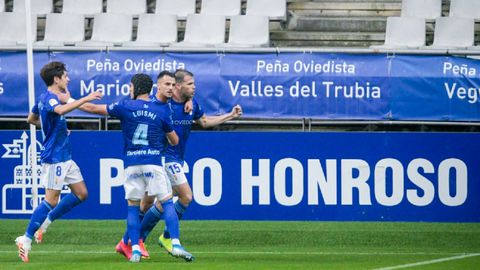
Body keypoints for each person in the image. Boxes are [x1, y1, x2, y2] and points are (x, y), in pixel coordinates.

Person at [80, 72, 193, 263]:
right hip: (154, 162)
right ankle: (174, 243)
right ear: (151, 88)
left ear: (135, 87)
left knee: (133, 207)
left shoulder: (125, 106)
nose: (129, 90)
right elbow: (174, 140)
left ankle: (134, 250)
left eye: (130, 87)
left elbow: (93, 109)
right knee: (166, 202)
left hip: (131, 164)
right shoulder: (162, 110)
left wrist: (71, 102)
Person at [139, 69, 242, 254]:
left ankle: (135, 240)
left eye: (194, 84)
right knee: (184, 196)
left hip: (175, 157)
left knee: (152, 203)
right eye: (190, 84)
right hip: (163, 157)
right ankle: (165, 238)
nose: (194, 87)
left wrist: (230, 115)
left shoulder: (191, 105)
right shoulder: (163, 105)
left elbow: (204, 122)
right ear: (178, 86)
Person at [16, 61, 103, 263]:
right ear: (56, 79)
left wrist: (57, 128)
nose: (68, 79)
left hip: (65, 156)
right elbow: (60, 111)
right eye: (65, 76)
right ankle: (26, 238)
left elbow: (31, 118)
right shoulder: (48, 98)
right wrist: (86, 98)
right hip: (54, 157)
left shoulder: (48, 99)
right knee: (51, 200)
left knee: (81, 193)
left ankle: (44, 225)